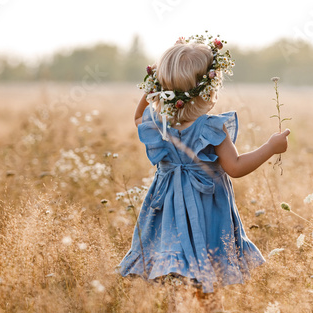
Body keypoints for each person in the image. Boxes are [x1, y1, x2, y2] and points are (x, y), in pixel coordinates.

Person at [118, 33, 290, 294]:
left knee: (176, 277)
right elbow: (236, 167)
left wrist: (157, 79)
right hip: (206, 208)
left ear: (160, 87)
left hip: (169, 209)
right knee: (208, 279)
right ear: (209, 89)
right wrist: (270, 147)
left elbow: (137, 115)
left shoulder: (157, 124)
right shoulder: (211, 127)